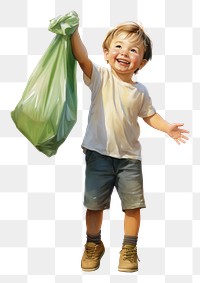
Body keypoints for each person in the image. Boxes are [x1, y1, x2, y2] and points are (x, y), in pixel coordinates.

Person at [71, 21, 189, 273]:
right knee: (94, 205)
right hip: (98, 155)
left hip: (129, 159)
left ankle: (129, 248)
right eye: (118, 46)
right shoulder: (101, 77)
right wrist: (73, 33)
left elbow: (149, 116)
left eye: (133, 50)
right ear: (106, 53)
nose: (125, 52)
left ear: (142, 63)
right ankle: (93, 244)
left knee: (133, 205)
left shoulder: (141, 91)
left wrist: (167, 127)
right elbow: (81, 59)